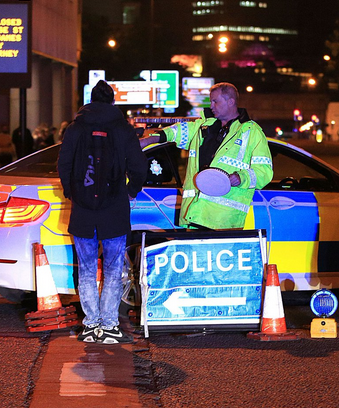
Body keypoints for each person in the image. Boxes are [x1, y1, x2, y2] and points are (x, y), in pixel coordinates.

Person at [57, 80, 148, 344]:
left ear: (90, 100)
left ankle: (90, 325)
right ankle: (109, 325)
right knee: (112, 269)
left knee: (86, 269)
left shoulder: (76, 128)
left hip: (83, 210)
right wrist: (131, 191)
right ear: (112, 101)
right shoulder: (123, 129)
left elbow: (64, 164)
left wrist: (71, 191)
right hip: (114, 209)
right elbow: (139, 166)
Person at [139, 82, 273, 230]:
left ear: (231, 102)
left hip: (224, 221)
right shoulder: (204, 126)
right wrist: (148, 140)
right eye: (211, 101)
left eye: (215, 101)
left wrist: (242, 177)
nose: (211, 106)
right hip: (195, 215)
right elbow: (175, 132)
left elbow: (264, 171)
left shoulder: (251, 132)